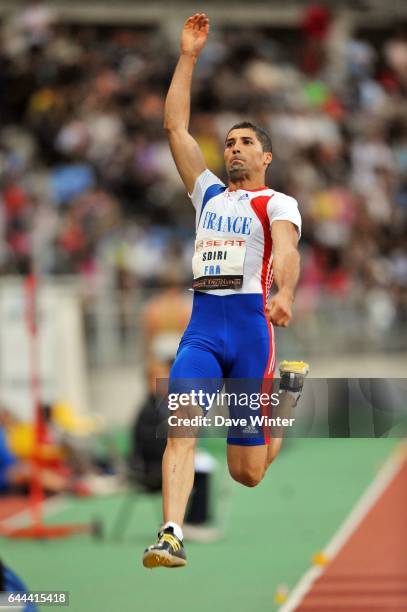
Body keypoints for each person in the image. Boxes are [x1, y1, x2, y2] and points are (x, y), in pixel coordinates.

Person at [143, 13, 301, 568]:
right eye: (229, 141)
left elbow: (286, 249)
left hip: (252, 336)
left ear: (265, 157)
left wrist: (284, 292)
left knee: (248, 474)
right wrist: (188, 56)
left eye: (246, 142)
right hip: (203, 333)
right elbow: (174, 129)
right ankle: (171, 534)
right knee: (180, 429)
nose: (233, 148)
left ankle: (286, 395)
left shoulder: (277, 203)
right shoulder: (207, 194)